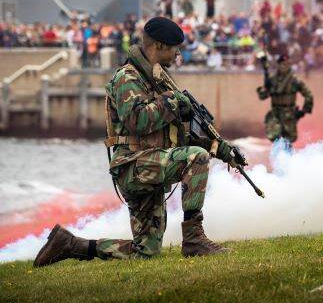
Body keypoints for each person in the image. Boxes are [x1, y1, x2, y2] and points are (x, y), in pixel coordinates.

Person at [34, 17, 241, 267]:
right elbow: (138, 121)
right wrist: (174, 103)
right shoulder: (127, 78)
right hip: (133, 166)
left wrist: (223, 150)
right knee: (196, 157)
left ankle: (69, 245)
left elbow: (182, 139)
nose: (178, 55)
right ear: (159, 46)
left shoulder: (156, 79)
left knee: (146, 251)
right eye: (174, 48)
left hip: (150, 164)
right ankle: (194, 240)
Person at [257, 54, 313, 145]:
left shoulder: (294, 81)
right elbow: (263, 96)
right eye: (282, 64)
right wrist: (264, 89)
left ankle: (287, 158)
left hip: (289, 115)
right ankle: (278, 158)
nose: (284, 66)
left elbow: (308, 95)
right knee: (275, 139)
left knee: (288, 141)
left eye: (287, 64)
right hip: (275, 113)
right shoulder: (272, 80)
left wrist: (303, 111)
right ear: (278, 65)